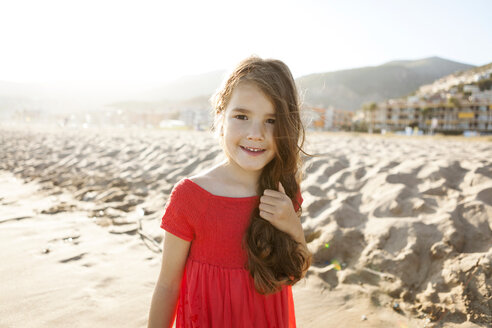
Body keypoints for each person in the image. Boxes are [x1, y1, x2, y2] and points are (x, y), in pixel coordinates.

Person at [148, 56, 312, 328]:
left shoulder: (282, 188)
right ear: (220, 116)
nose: (256, 133)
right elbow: (167, 285)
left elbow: (293, 274)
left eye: (271, 120)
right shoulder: (191, 196)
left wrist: (293, 227)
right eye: (242, 116)